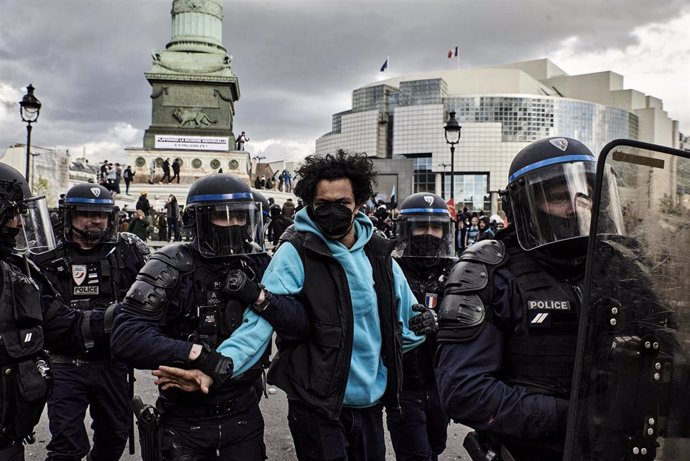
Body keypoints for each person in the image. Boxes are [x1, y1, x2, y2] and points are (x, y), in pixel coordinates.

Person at [214, 150, 433, 460]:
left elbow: (408, 321)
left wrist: (425, 323)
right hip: (316, 407)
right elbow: (258, 324)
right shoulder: (296, 253)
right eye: (323, 205)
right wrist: (217, 366)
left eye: (342, 203)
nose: (333, 212)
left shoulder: (379, 254)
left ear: (358, 203)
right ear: (310, 206)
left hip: (370, 406)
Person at [435, 137, 603, 460]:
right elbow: (461, 389)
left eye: (584, 194)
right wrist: (566, 416)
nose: (574, 205)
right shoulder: (491, 273)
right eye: (557, 197)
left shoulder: (616, 268)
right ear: (524, 206)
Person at [111, 173, 272, 460]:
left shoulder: (256, 264)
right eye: (223, 217)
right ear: (197, 220)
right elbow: (127, 335)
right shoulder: (171, 264)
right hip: (185, 418)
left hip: (243, 412)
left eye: (240, 217)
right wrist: (195, 354)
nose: (234, 225)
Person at [30, 183, 149, 461]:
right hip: (65, 364)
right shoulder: (47, 256)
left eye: (102, 214)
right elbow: (45, 316)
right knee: (67, 445)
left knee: (115, 433)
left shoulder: (126, 252)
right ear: (69, 215)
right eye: (85, 213)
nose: (95, 220)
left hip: (112, 363)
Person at [386, 192, 456, 460]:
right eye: (421, 226)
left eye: (436, 227)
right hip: (405, 384)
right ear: (407, 230)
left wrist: (441, 323)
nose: (429, 233)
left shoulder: (457, 272)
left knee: (435, 448)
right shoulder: (390, 270)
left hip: (440, 382)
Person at [0, 163, 56, 460]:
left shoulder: (17, 268)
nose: (20, 223)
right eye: (13, 213)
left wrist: (124, 320)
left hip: (8, 434)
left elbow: (60, 321)